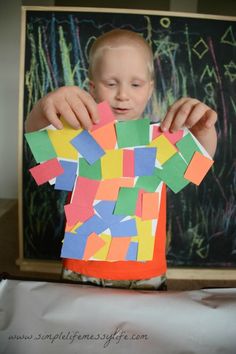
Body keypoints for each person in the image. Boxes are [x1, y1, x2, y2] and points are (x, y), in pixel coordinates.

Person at [25, 29, 217, 290]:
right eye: (111, 83)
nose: (123, 95)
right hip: (83, 268)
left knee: (143, 331)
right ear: (92, 87)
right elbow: (39, 146)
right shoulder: (79, 138)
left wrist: (205, 131)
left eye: (135, 84)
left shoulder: (159, 142)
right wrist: (43, 107)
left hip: (145, 270)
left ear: (150, 89)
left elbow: (198, 163)